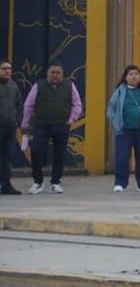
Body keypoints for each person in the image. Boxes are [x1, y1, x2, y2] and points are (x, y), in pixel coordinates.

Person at [21, 63, 82, 194]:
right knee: (36, 151)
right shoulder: (39, 85)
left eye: (58, 72)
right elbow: (29, 105)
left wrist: (71, 120)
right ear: (47, 74)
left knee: (59, 154)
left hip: (62, 125)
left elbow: (77, 104)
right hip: (41, 125)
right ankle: (37, 182)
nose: (55, 75)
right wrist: (25, 123)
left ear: (62, 74)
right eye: (52, 72)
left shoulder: (69, 86)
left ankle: (55, 182)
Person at [105, 65, 140, 193]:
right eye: (130, 74)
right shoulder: (120, 91)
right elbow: (111, 108)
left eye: (136, 73)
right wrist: (115, 122)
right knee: (122, 157)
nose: (134, 76)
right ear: (125, 77)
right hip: (124, 130)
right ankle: (120, 183)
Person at [0, 59, 24, 195]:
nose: (7, 71)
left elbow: (19, 104)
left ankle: (6, 185)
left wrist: (17, 120)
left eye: (9, 68)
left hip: (10, 128)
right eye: (4, 68)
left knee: (7, 157)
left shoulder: (13, 86)